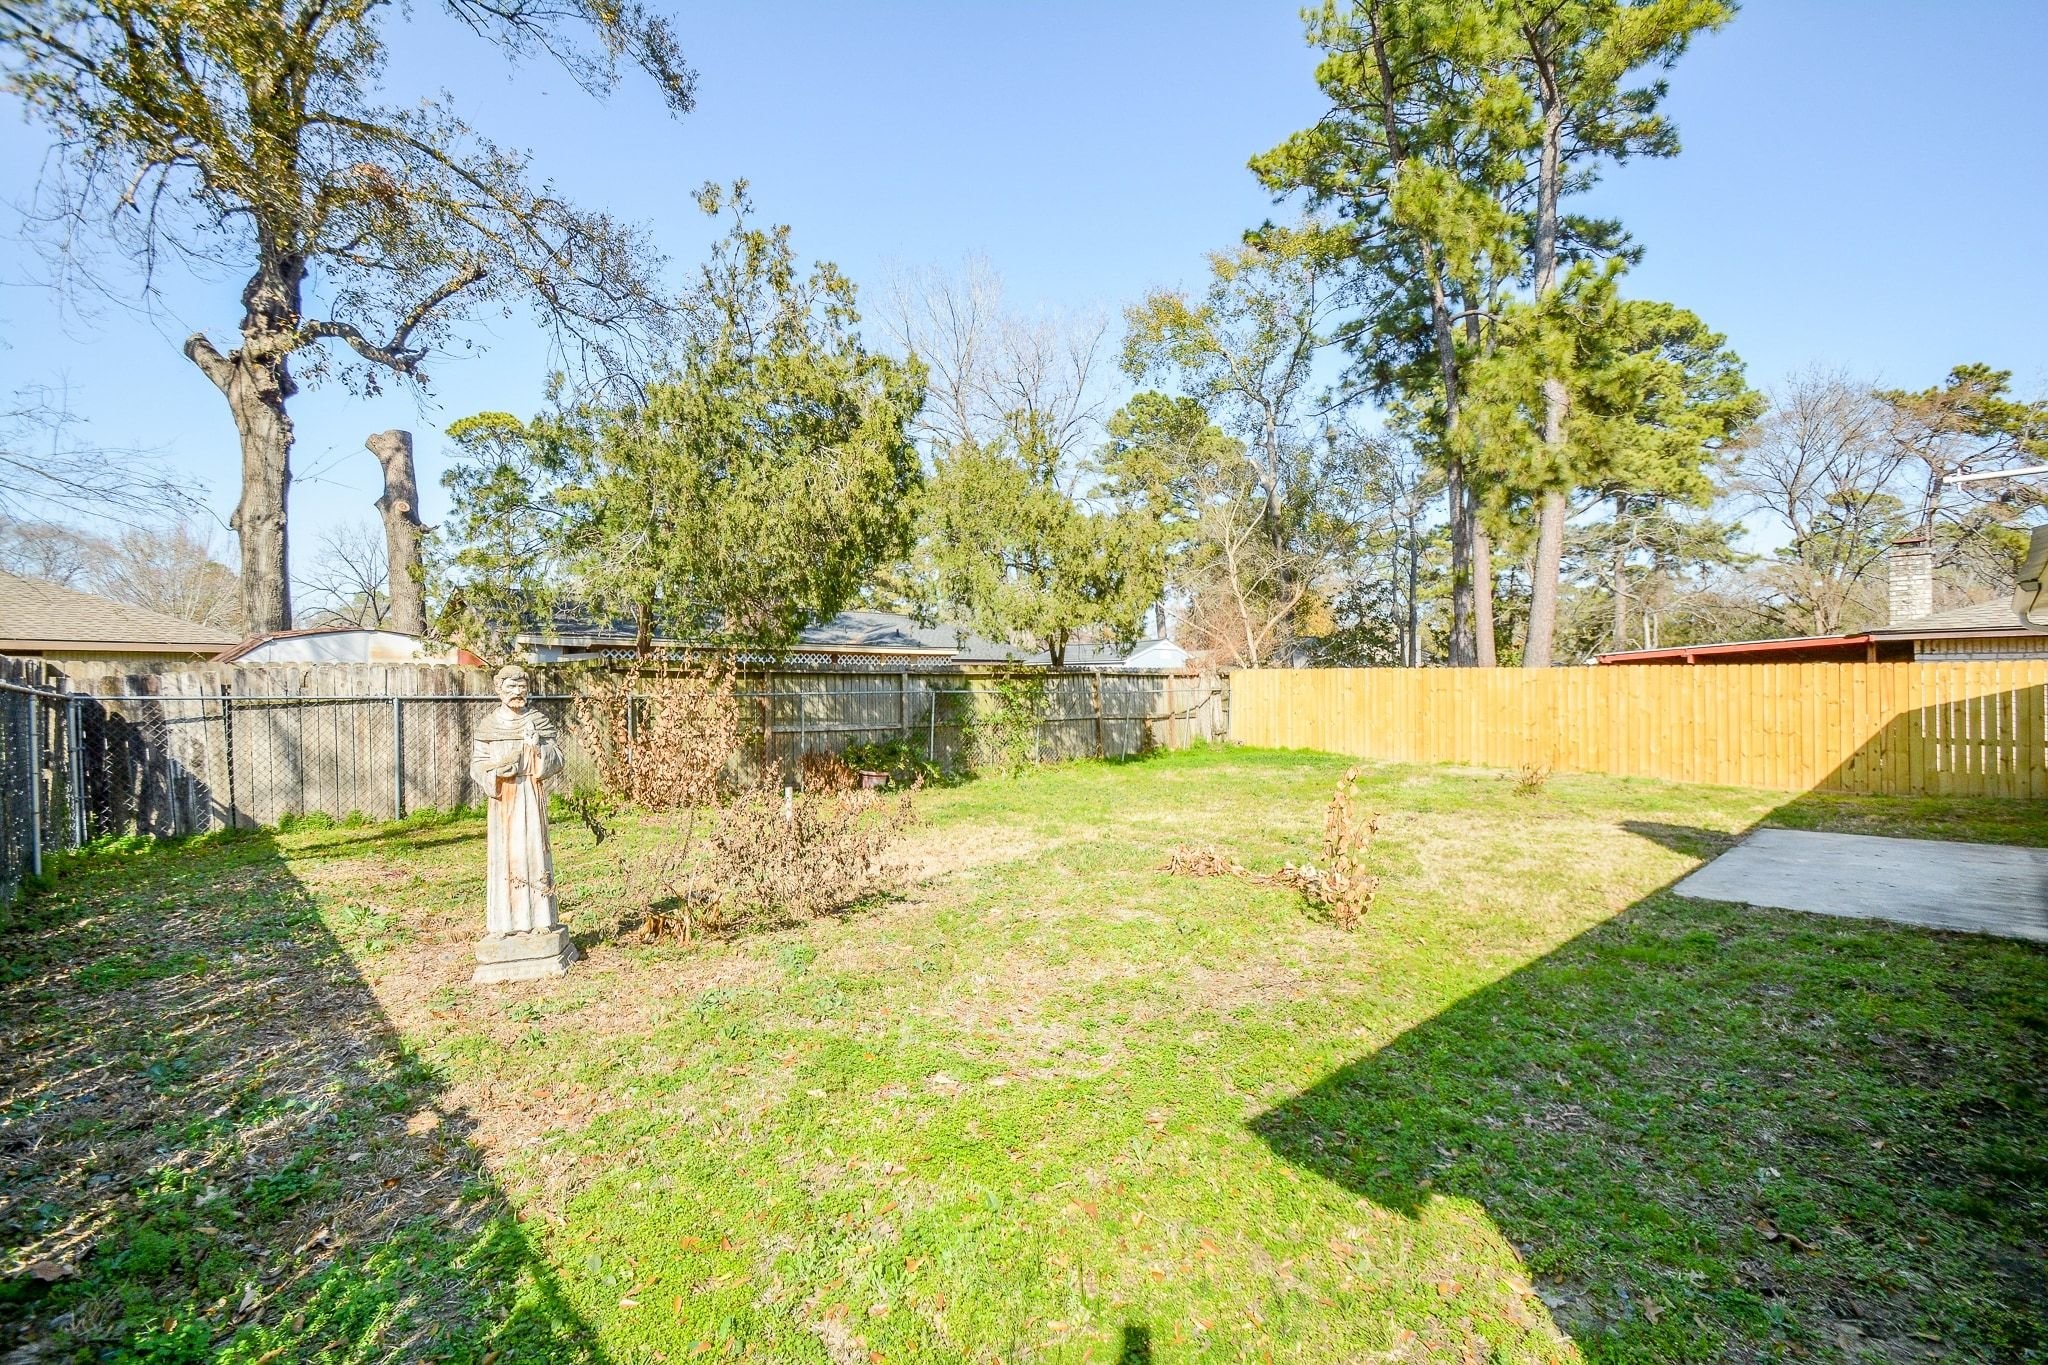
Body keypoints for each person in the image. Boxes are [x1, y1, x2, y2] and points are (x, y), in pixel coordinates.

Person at [467, 665, 575, 978]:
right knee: (505, 861)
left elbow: (557, 757)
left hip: (529, 795)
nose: (517, 692)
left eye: (521, 686)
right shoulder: (488, 725)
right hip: (503, 803)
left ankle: (542, 921)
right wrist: (495, 772)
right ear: (498, 689)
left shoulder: (537, 720)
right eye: (510, 687)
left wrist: (536, 748)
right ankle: (503, 925)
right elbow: (477, 765)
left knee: (533, 854)